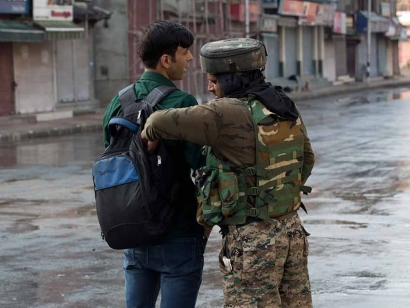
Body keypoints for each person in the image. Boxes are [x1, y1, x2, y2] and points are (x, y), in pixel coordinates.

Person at [141, 38, 315, 307]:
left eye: (214, 80)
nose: (210, 87)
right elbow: (307, 159)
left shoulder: (226, 112)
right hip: (292, 232)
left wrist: (148, 133)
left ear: (233, 78)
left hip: (252, 240)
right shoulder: (282, 103)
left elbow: (158, 120)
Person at [102, 20, 206, 308]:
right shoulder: (182, 101)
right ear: (165, 59)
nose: (189, 59)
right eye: (184, 52)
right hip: (178, 233)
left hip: (133, 229)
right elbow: (201, 162)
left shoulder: (117, 102)